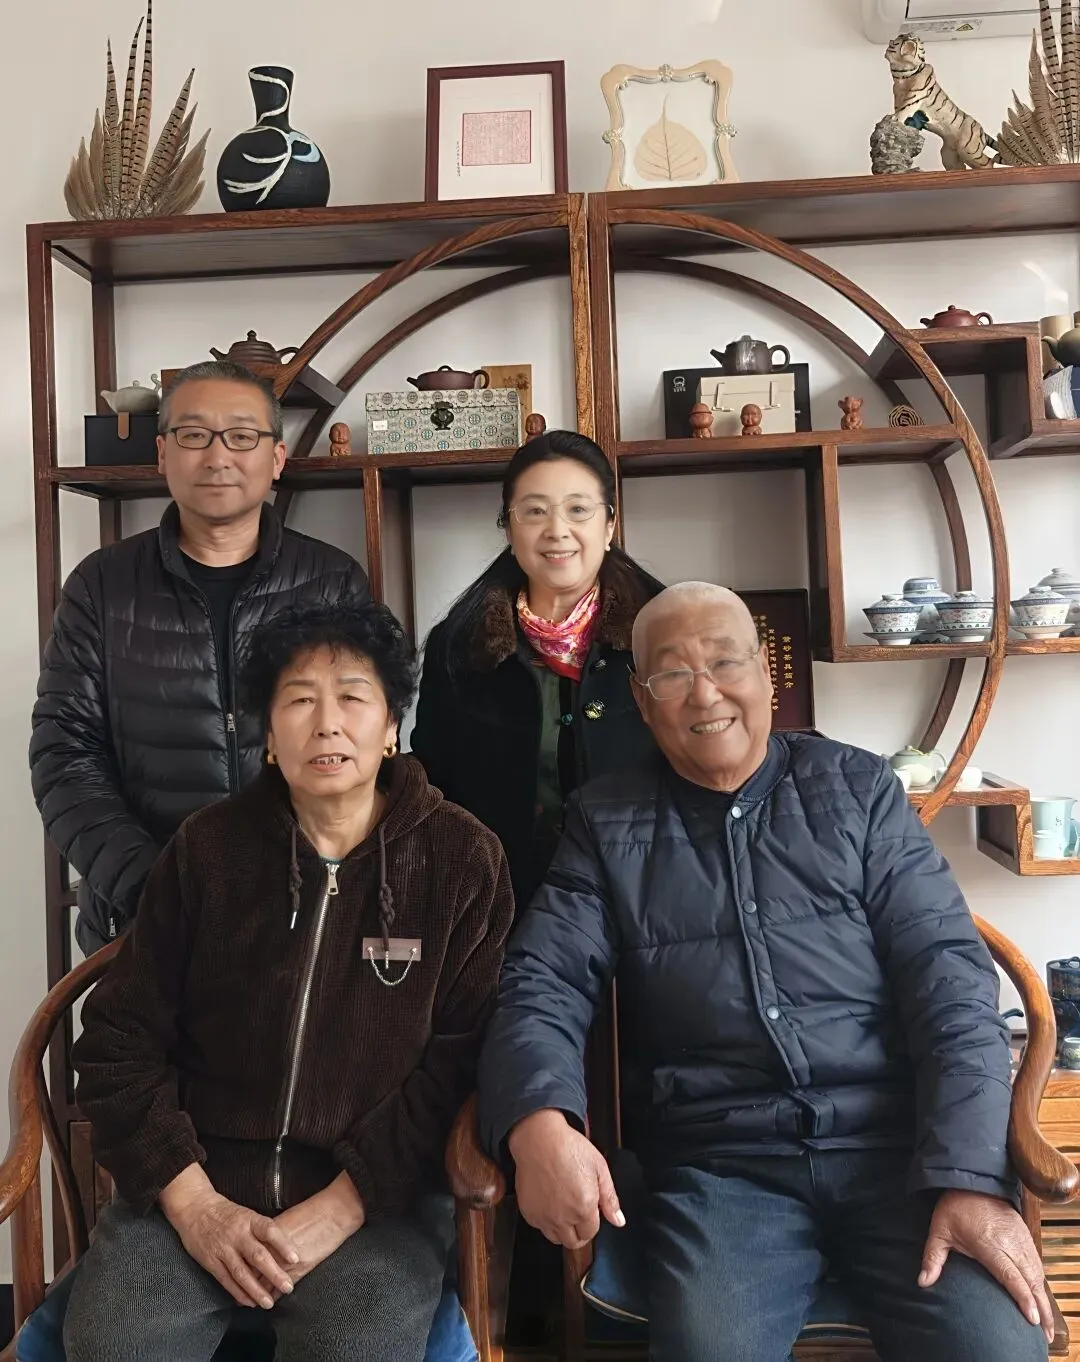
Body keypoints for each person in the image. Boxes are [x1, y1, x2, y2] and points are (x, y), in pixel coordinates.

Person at [478, 581, 1052, 1362]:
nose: (704, 692)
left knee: (996, 1348)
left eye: (725, 661)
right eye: (673, 673)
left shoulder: (858, 791)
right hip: (723, 1170)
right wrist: (538, 1121)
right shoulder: (606, 822)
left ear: (765, 673)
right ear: (642, 701)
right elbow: (541, 983)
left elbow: (950, 982)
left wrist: (970, 1178)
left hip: (900, 1153)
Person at [64, 598, 514, 1362]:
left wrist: (343, 1205)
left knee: (352, 1348)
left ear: (392, 725)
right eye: (300, 700)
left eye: (353, 697)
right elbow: (118, 1041)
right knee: (113, 1344)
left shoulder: (461, 859)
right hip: (196, 1180)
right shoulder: (207, 852)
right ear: (268, 735)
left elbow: (459, 1067)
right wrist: (195, 1205)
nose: (327, 723)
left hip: (376, 1200)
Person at [30, 360, 369, 954]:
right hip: (144, 920)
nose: (217, 457)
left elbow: (362, 744)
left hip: (303, 913)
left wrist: (313, 877)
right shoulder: (102, 585)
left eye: (241, 435)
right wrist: (154, 888)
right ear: (163, 454)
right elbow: (65, 753)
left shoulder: (331, 581)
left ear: (277, 458)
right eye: (193, 435)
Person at [411, 430, 664, 908]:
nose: (557, 530)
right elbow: (435, 792)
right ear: (509, 528)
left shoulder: (662, 633)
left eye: (578, 509)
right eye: (534, 511)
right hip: (501, 906)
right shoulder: (460, 645)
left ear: (609, 524)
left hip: (643, 902)